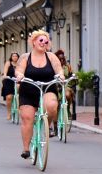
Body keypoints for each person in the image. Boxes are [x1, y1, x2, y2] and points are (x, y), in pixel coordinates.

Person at [14, 30, 64, 159]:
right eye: (41, 40)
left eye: (46, 41)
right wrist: (20, 75)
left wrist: (60, 76)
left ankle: (46, 125)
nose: (43, 43)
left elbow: (59, 69)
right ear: (34, 42)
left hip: (47, 88)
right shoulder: (25, 57)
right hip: (28, 90)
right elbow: (19, 70)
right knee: (27, 118)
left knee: (52, 106)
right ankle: (26, 149)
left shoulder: (51, 56)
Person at [1, 52, 20, 120]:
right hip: (9, 80)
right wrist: (5, 75)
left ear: (18, 57)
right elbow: (5, 71)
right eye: (13, 56)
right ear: (11, 57)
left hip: (18, 80)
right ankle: (9, 113)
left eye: (16, 56)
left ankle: (18, 100)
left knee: (19, 87)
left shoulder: (20, 64)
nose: (15, 57)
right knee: (9, 97)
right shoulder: (8, 63)